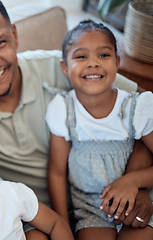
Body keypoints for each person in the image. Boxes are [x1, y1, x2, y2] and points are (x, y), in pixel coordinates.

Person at [0, 0, 153, 228]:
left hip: (118, 196)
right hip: (51, 222)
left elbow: (143, 108)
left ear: (14, 35)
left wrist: (137, 183)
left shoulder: (64, 66)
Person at [46, 19, 153, 239]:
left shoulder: (138, 107)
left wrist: (132, 181)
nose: (93, 63)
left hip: (138, 199)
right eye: (81, 56)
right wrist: (63, 226)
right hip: (91, 208)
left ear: (117, 63)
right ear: (64, 67)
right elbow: (56, 172)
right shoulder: (63, 109)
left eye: (103, 55)